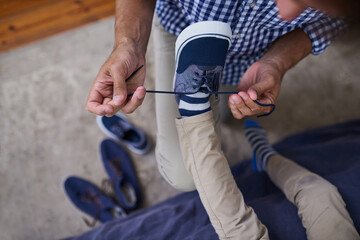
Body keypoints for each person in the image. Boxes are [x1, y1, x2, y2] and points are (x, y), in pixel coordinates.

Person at [85, 0, 357, 191]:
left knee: (230, 110)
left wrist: (277, 62)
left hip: (260, 48)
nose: (286, 14)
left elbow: (334, 21)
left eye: (309, 5)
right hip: (181, 25)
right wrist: (128, 44)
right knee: (186, 175)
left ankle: (223, 112)